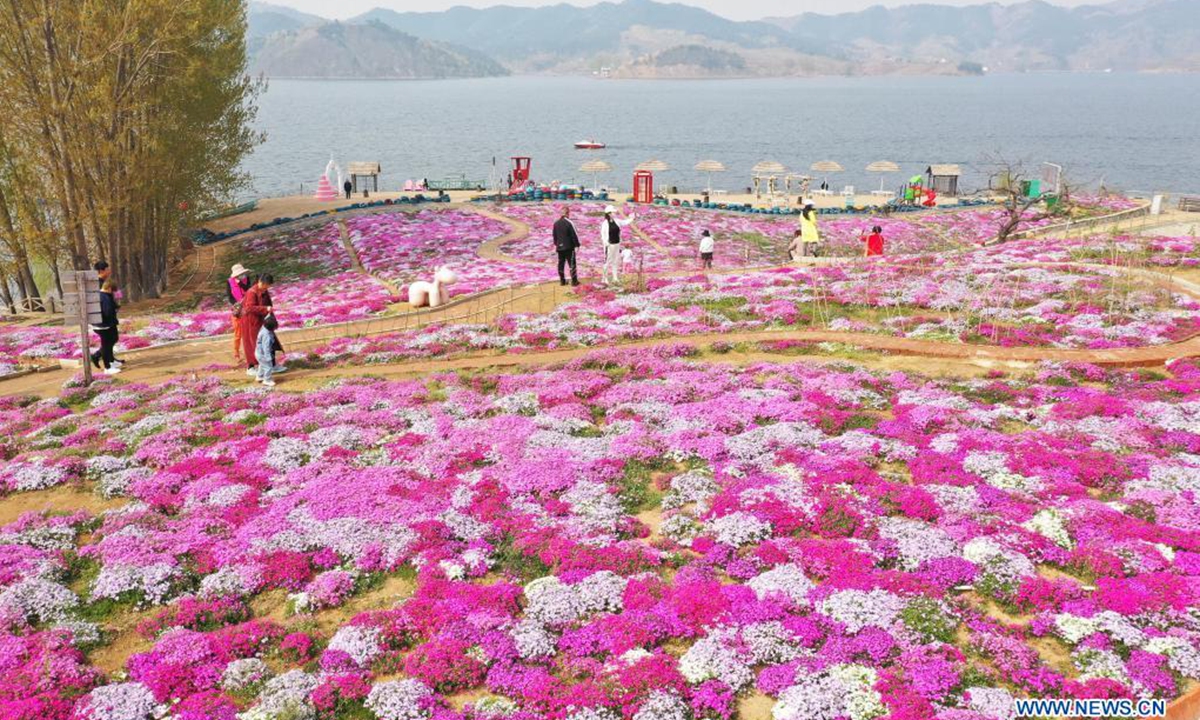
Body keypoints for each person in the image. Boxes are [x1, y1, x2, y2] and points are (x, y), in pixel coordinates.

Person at [239, 273, 285, 376]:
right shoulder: (252, 292)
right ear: (260, 282)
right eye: (266, 285)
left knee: (269, 341)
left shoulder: (264, 290)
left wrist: (271, 316)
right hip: (251, 322)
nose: (267, 287)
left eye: (268, 285)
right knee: (253, 344)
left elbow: (269, 304)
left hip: (262, 320)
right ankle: (251, 367)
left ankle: (272, 364)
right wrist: (265, 309)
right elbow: (249, 308)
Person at [89, 280, 121, 375]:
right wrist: (114, 311)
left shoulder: (105, 295)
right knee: (106, 345)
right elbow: (107, 311)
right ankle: (107, 367)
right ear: (109, 288)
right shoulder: (104, 297)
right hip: (103, 325)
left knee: (113, 339)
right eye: (113, 290)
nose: (113, 293)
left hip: (106, 324)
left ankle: (111, 361)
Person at [600, 204, 635, 286]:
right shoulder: (605, 223)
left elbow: (624, 222)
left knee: (615, 261)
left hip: (617, 244)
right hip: (609, 245)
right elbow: (603, 235)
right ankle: (604, 278)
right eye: (613, 212)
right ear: (609, 213)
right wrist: (606, 243)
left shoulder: (617, 221)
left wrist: (632, 218)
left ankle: (615, 277)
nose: (615, 213)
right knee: (607, 261)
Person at [227, 264, 253, 363]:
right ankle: (236, 353)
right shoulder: (229, 282)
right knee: (238, 333)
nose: (242, 275)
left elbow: (249, 290)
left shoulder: (247, 279)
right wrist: (237, 304)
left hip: (247, 307)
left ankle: (251, 351)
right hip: (237, 309)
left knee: (250, 331)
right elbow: (230, 296)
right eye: (240, 274)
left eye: (243, 274)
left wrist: (241, 283)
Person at [552, 206, 580, 286]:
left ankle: (562, 281)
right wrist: (577, 245)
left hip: (559, 247)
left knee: (561, 264)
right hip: (569, 247)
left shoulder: (556, 223)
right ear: (568, 213)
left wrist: (557, 244)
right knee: (572, 263)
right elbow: (574, 235)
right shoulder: (569, 222)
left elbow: (554, 236)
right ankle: (574, 281)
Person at [255, 313, 281, 387]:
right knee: (268, 367)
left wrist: (269, 314)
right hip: (263, 354)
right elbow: (266, 347)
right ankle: (267, 380)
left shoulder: (263, 328)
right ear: (271, 327)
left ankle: (259, 376)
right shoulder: (267, 335)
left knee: (262, 365)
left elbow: (267, 319)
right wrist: (268, 357)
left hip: (258, 352)